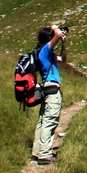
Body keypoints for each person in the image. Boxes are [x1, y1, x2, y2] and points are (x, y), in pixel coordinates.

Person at [31, 24, 67, 164]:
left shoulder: (45, 53)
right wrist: (55, 27)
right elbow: (57, 35)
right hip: (52, 89)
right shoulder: (45, 50)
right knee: (50, 120)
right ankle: (45, 154)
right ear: (48, 38)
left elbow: (63, 59)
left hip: (46, 88)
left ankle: (37, 151)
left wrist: (64, 44)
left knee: (43, 121)